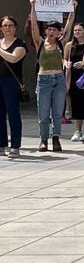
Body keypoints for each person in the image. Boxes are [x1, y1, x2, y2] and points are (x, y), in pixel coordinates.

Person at [27, 0, 75, 152]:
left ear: (58, 32)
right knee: (43, 112)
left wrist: (73, 8)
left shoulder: (61, 43)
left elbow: (69, 26)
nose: (52, 32)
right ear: (46, 31)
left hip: (59, 79)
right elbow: (34, 27)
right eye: (49, 29)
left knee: (57, 111)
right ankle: (43, 140)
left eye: (55, 29)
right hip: (44, 79)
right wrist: (33, 6)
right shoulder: (40, 42)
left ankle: (56, 138)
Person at [0, 14, 28, 156]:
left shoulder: (20, 44)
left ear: (15, 28)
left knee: (13, 114)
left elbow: (13, 58)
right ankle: (1, 145)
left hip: (11, 82)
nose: (7, 28)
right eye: (4, 25)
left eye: (10, 25)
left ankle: (15, 145)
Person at [66, 21, 84, 142]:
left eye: (79, 30)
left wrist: (83, 63)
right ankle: (77, 130)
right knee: (76, 104)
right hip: (74, 77)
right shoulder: (69, 45)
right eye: (75, 30)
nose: (77, 32)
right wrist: (66, 63)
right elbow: (64, 58)